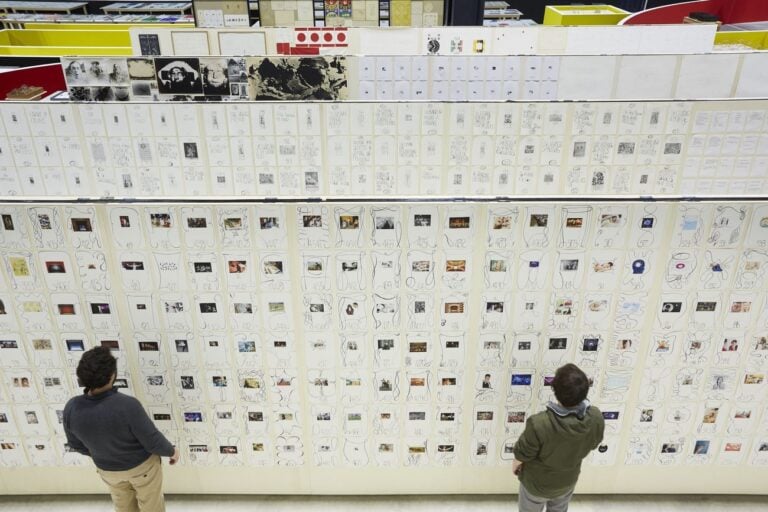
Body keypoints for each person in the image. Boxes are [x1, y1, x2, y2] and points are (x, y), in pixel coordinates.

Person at [64, 347, 179, 512]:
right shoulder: (127, 405)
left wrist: (101, 453)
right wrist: (171, 451)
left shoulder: (72, 408)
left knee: (123, 507)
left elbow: (75, 444)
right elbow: (152, 440)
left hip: (107, 471)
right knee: (151, 506)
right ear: (112, 375)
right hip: (141, 468)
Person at [513, 363, 604, 512]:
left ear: (554, 389)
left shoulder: (539, 423)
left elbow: (522, 454)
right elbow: (594, 443)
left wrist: (516, 466)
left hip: (536, 484)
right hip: (567, 482)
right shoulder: (595, 417)